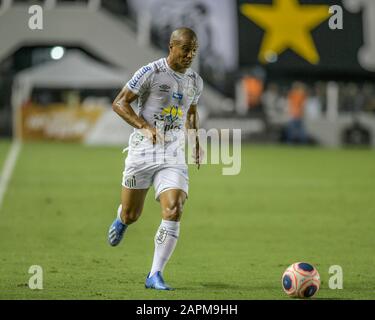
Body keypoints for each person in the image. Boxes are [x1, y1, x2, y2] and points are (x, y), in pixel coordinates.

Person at [107, 27, 203, 291]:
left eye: (194, 50)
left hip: (172, 153)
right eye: (186, 49)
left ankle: (154, 274)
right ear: (172, 47)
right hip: (143, 151)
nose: (190, 55)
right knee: (132, 214)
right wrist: (144, 127)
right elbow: (119, 103)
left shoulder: (195, 80)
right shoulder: (150, 72)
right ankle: (122, 219)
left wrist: (195, 142)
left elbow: (191, 112)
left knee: (174, 208)